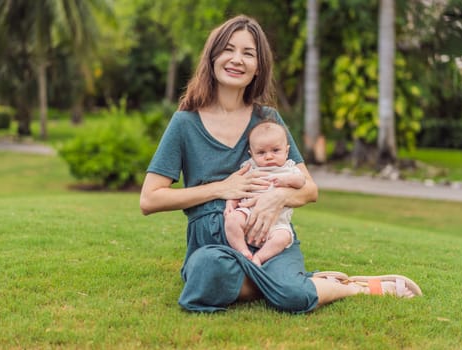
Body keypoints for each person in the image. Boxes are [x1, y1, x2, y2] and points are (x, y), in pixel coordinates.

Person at [140, 14, 422, 313]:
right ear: (212, 57)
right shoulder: (185, 123)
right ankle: (301, 281)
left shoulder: (268, 121)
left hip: (269, 237)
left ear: (258, 67)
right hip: (212, 246)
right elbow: (150, 199)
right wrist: (221, 188)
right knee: (208, 270)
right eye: (228, 49)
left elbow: (309, 189)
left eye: (248, 53)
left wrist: (278, 197)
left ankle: (351, 287)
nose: (237, 59)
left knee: (293, 298)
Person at [224, 119, 306, 266]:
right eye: (261, 152)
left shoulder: (289, 168)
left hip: (277, 222)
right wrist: (231, 203)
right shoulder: (250, 167)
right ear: (252, 154)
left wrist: (286, 181)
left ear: (287, 151)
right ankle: (242, 250)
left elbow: (301, 181)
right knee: (231, 220)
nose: (269, 156)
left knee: (284, 237)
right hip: (248, 213)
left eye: (275, 150)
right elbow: (236, 187)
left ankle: (260, 257)